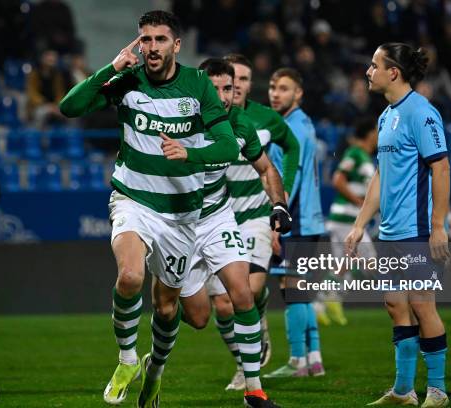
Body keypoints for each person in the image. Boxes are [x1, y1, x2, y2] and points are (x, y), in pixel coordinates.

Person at [59, 10, 240, 407]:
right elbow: (69, 108)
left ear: (176, 45)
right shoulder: (127, 79)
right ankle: (126, 360)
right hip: (134, 198)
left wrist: (188, 151)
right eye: (145, 40)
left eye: (160, 39)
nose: (151, 47)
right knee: (128, 275)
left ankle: (154, 371)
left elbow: (228, 147)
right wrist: (110, 67)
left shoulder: (197, 86)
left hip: (181, 214)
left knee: (168, 305)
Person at [178, 58, 289, 407]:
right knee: (202, 315)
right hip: (181, 225)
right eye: (217, 88)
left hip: (232, 218)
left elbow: (269, 166)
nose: (226, 95)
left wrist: (280, 204)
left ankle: (252, 384)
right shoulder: (178, 120)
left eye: (231, 87)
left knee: (244, 292)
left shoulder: (243, 125)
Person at [345, 43, 450, 407]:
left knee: (423, 306)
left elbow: (441, 167)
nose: (368, 72)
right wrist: (360, 224)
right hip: (389, 231)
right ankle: (404, 391)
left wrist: (438, 225)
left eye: (374, 65)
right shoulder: (387, 115)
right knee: (395, 305)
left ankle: (437, 390)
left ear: (394, 72)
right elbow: (380, 175)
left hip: (416, 230)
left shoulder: (421, 113)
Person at [223, 53, 300, 368]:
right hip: (221, 218)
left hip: (256, 216)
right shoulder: (209, 117)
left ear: (249, 84)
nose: (237, 85)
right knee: (221, 307)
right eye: (232, 79)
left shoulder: (267, 118)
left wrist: (284, 195)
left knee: (250, 289)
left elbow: (292, 146)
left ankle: (247, 368)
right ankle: (244, 356)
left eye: (243, 79)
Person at [263, 68, 326, 379]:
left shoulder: (294, 128)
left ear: (298, 93)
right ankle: (314, 358)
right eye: (273, 87)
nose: (276, 93)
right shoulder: (301, 123)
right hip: (307, 219)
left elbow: (293, 176)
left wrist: (277, 223)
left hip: (296, 218)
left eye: (284, 88)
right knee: (300, 290)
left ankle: (297, 360)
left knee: (292, 290)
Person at [316, 117, 378, 327]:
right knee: (366, 261)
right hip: (346, 218)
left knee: (347, 263)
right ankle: (331, 298)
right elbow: (337, 179)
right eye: (377, 131)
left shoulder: (366, 157)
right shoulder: (354, 153)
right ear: (370, 133)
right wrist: (359, 201)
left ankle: (323, 304)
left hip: (350, 219)